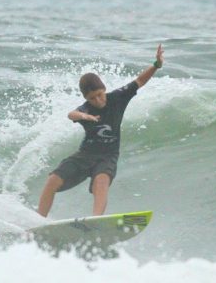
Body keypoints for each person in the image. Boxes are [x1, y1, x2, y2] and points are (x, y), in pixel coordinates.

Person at [37, 44, 165, 217]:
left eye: (99, 94)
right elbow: (71, 114)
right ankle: (38, 220)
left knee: (102, 181)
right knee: (52, 180)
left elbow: (139, 81)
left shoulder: (117, 98)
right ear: (86, 98)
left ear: (104, 89)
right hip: (85, 155)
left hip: (108, 156)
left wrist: (156, 65)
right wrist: (85, 117)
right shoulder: (86, 108)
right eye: (92, 98)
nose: (97, 100)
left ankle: (96, 221)